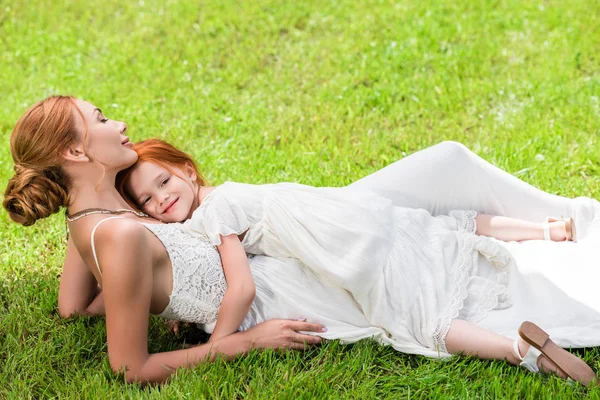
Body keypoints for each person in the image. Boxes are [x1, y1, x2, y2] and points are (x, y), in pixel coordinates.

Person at [3, 96, 598, 386]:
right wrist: (245, 342)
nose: (120, 123)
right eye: (102, 119)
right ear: (77, 153)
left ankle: (551, 233)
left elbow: (71, 306)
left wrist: (105, 247)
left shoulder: (91, 222)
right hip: (283, 278)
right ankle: (550, 252)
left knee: (439, 177)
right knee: (416, 272)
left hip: (284, 234)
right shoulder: (121, 235)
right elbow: (131, 366)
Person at [116, 138, 575, 344]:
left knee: (412, 314)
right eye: (148, 200)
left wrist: (214, 343)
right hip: (350, 211)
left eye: (163, 182)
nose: (161, 199)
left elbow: (240, 287)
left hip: (342, 247)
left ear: (188, 170)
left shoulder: (214, 213)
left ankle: (517, 350)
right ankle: (544, 230)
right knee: (437, 228)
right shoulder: (226, 195)